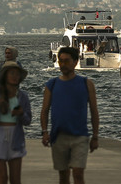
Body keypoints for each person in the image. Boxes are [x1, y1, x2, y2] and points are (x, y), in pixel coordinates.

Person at [41, 47, 99, 184]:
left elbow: (94, 111)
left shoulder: (87, 84)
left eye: (67, 61)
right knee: (63, 175)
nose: (63, 65)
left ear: (75, 62)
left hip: (80, 137)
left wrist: (95, 136)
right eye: (61, 61)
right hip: (59, 137)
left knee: (78, 174)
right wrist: (44, 132)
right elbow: (44, 110)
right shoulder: (52, 85)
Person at [0, 60, 31, 184]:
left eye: (17, 74)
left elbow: (27, 120)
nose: (15, 77)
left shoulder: (22, 96)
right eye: (12, 73)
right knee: (2, 178)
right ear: (5, 76)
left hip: (16, 136)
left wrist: (21, 114)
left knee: (15, 179)